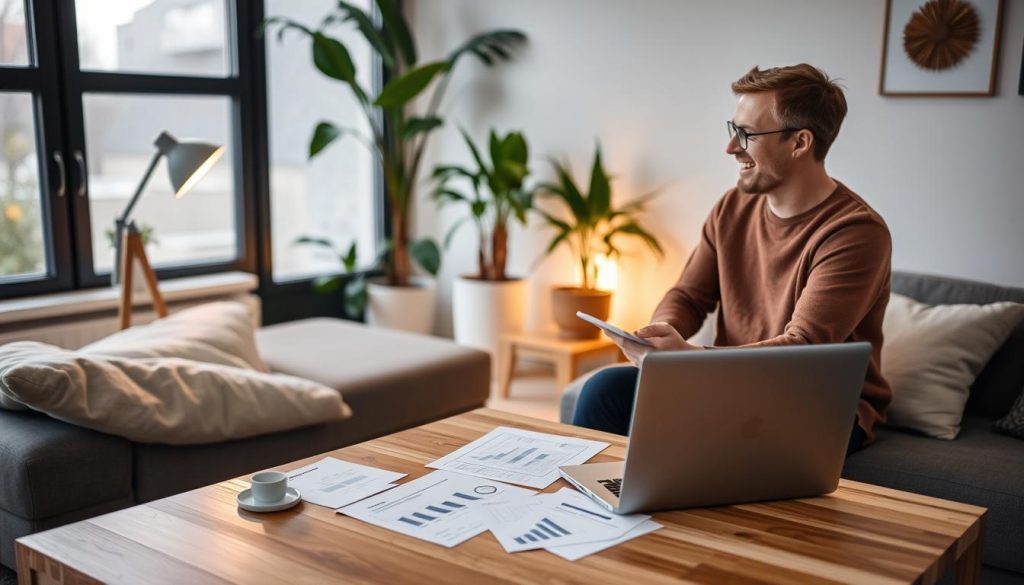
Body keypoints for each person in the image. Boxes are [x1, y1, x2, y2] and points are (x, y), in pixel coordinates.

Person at [572, 64, 892, 455]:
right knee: (603, 391)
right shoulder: (732, 207)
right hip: (726, 385)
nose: (731, 147)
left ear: (800, 142)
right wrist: (660, 335)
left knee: (705, 436)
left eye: (747, 134)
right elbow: (689, 296)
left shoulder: (856, 233)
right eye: (732, 128)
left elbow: (803, 348)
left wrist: (689, 359)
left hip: (815, 403)